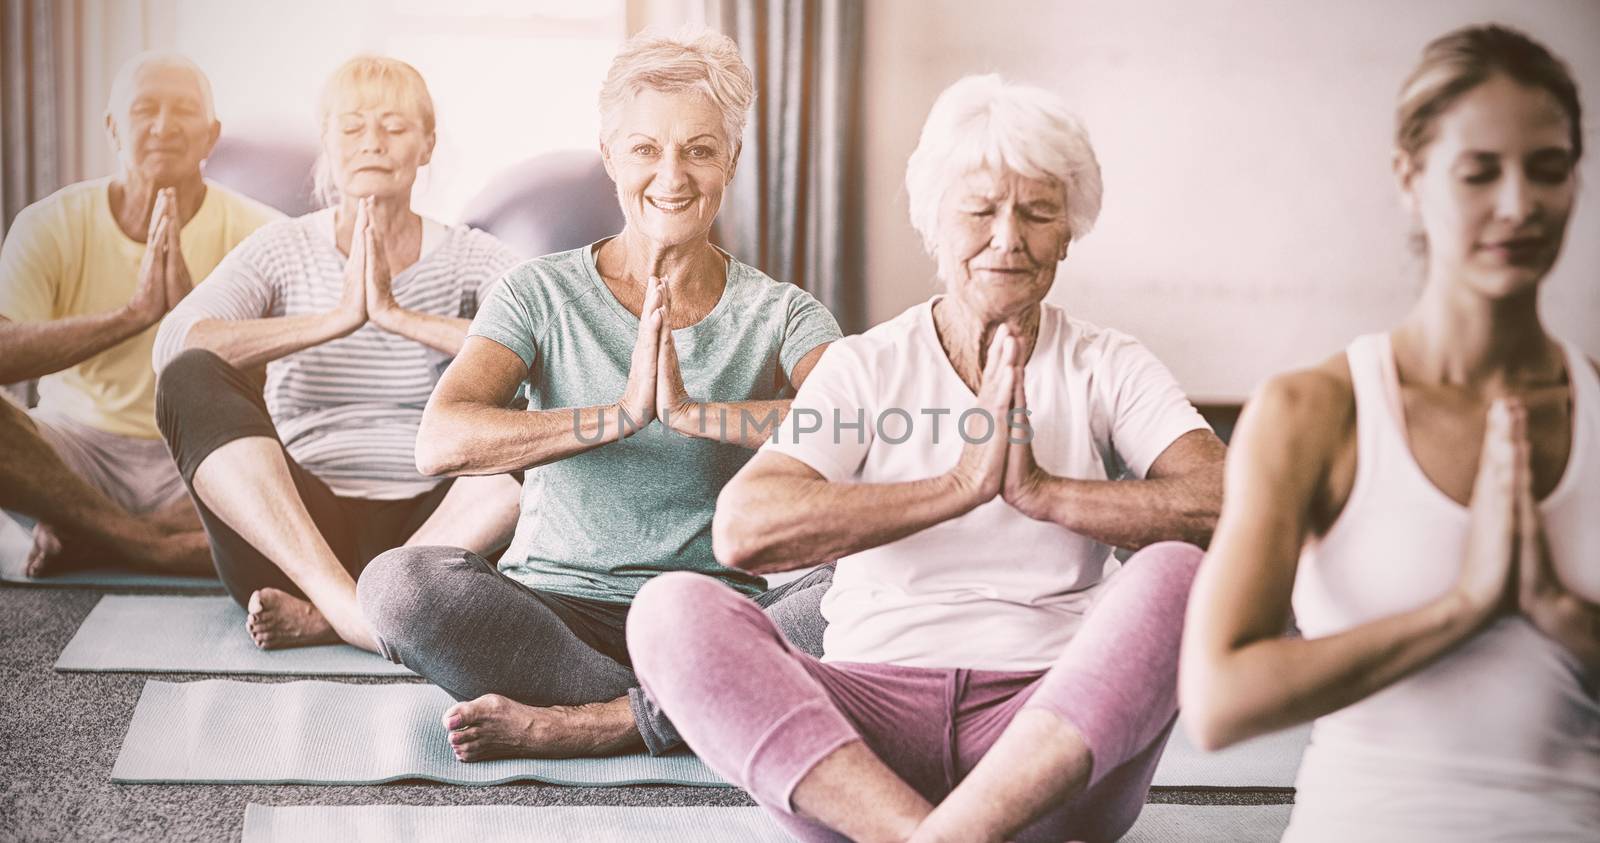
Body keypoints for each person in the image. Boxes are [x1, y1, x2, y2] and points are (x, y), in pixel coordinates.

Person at [627, 74, 1228, 843]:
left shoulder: (1108, 363)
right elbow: (745, 529)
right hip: (865, 742)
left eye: (1038, 212)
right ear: (935, 224)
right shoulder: (868, 366)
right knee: (671, 611)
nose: (1008, 238)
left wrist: (1041, 492)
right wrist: (956, 487)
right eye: (980, 211)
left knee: (1182, 573)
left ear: (1067, 233)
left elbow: (1221, 500)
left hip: (1047, 734)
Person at [357, 30, 842, 762]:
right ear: (609, 156)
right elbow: (442, 439)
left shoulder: (784, 312)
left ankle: (601, 721)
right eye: (645, 148)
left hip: (711, 615)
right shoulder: (538, 291)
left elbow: (861, 428)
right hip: (553, 614)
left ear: (732, 161)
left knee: (864, 586)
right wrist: (616, 416)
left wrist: (696, 415)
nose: (671, 176)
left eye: (700, 150)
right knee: (398, 585)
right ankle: (685, 706)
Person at [1179, 24, 1600, 842]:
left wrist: (1555, 609)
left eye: (1548, 170)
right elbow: (1218, 699)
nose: (1519, 204)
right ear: (1410, 178)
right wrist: (1463, 607)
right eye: (1480, 173)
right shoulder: (1314, 410)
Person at [152, 56, 522, 652]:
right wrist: (332, 321)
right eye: (351, 127)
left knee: (552, 405)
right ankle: (360, 606)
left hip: (442, 530)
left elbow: (564, 338)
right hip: (297, 534)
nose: (372, 142)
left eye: (395, 127)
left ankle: (343, 615)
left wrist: (403, 318)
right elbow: (176, 341)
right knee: (189, 377)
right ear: (328, 143)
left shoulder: (468, 257)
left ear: (426, 145)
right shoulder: (282, 247)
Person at [0, 52, 279, 576]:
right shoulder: (48, 224)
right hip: (75, 454)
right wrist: (132, 315)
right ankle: (151, 545)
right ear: (112, 127)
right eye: (144, 109)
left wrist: (192, 328)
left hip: (202, 456)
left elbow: (293, 385)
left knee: (325, 452)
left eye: (183, 111)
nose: (163, 127)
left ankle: (91, 535)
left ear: (211, 134)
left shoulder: (263, 233)